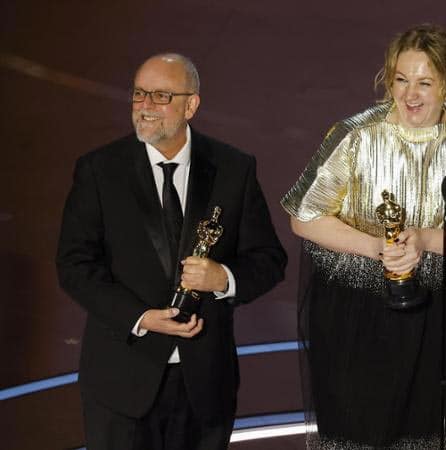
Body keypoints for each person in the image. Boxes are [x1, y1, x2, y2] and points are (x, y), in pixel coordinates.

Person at [282, 24, 446, 449]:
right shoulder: (356, 135)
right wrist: (378, 248)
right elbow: (304, 218)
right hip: (354, 313)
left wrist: (424, 240)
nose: (410, 94)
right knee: (356, 429)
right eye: (401, 79)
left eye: (425, 82)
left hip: (441, 315)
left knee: (423, 431)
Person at [56, 53, 287, 450]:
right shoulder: (100, 170)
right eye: (139, 93)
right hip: (121, 383)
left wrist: (224, 278)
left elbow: (268, 259)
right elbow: (74, 265)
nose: (145, 106)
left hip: (204, 386)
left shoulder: (234, 168)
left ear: (190, 105)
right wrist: (141, 317)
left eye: (161, 96)